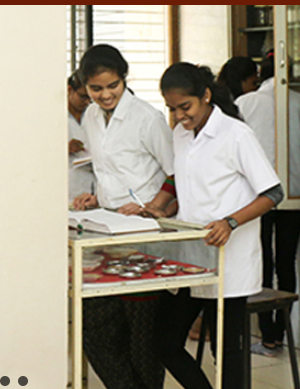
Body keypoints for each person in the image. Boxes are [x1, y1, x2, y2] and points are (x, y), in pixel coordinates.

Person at [145, 62, 282, 389]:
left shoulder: (236, 134)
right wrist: (159, 208)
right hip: (190, 256)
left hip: (228, 258)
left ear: (206, 96)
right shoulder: (180, 134)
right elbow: (188, 180)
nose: (179, 116)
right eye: (172, 109)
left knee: (227, 354)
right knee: (164, 343)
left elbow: (273, 193)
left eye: (185, 107)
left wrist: (231, 222)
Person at [71, 44, 174, 389]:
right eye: (95, 88)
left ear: (124, 79)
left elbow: (175, 173)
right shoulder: (89, 117)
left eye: (112, 86)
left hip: (143, 231)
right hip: (105, 230)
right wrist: (95, 196)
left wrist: (156, 206)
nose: (105, 94)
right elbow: (109, 170)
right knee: (97, 326)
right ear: (85, 85)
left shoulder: (148, 118)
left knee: (141, 336)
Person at [234, 51, 300, 357]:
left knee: (261, 263)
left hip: (257, 198)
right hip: (294, 194)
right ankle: (284, 332)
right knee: (287, 264)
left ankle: (267, 337)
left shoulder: (245, 103)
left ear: (259, 74)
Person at [67, 70, 95, 201]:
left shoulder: (93, 113)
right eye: (83, 97)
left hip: (92, 189)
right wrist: (66, 148)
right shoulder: (54, 115)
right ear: (69, 90)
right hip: (67, 187)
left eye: (90, 98)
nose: (87, 102)